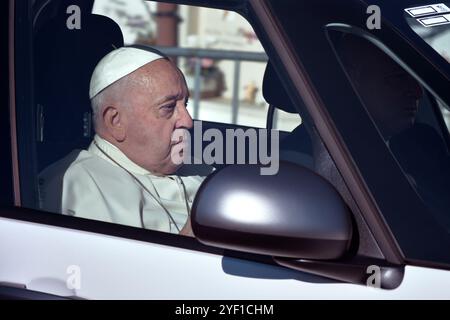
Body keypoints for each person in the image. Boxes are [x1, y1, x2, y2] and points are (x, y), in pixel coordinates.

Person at [53, 46, 208, 236]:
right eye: (168, 107)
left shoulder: (193, 161)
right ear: (115, 121)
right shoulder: (75, 186)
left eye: (184, 105)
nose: (188, 121)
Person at [337, 34, 450, 230]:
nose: (418, 92)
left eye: (415, 78)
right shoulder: (309, 163)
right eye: (397, 77)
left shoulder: (422, 146)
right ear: (350, 78)